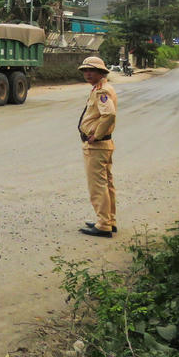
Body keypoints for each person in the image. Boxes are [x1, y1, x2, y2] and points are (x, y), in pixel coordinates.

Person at [76, 56, 118, 237]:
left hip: (98, 146)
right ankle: (109, 220)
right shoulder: (100, 89)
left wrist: (96, 135)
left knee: (97, 186)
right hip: (103, 145)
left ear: (102, 72)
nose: (87, 73)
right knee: (107, 184)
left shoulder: (102, 92)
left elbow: (109, 115)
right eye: (85, 70)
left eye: (91, 70)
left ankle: (103, 224)